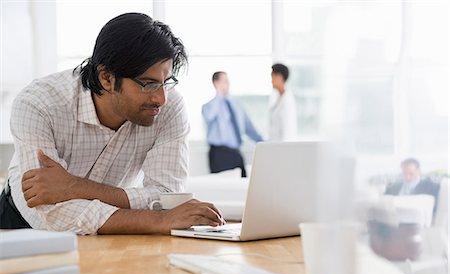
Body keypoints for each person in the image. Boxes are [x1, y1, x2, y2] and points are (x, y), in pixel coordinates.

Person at [0, 13, 225, 234]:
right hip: (20, 225)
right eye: (148, 84)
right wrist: (158, 220)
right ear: (106, 78)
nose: (161, 98)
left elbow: (167, 195)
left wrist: (74, 187)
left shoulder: (168, 107)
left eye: (166, 82)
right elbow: (50, 214)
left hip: (115, 229)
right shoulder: (38, 103)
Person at [202, 72, 263, 177]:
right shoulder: (209, 106)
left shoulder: (236, 104)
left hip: (236, 152)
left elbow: (249, 128)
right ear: (215, 83)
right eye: (224, 81)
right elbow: (209, 116)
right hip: (219, 154)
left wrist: (264, 143)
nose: (228, 84)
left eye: (228, 81)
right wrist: (219, 95)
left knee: (243, 185)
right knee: (222, 188)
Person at [269, 63, 297, 141]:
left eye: (272, 76)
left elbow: (287, 130)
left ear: (280, 77)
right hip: (276, 145)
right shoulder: (278, 97)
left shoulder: (287, 100)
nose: (271, 80)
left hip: (282, 147)